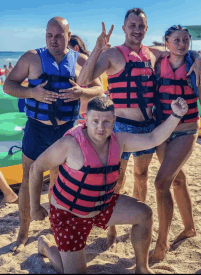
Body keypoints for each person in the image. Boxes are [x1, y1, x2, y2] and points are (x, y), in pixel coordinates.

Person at [77, 7, 201, 248]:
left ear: (146, 29)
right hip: (121, 129)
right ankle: (112, 229)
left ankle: (137, 220)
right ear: (125, 28)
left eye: (141, 26)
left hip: (147, 128)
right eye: (132, 26)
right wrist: (97, 49)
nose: (137, 30)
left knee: (142, 176)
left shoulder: (154, 54)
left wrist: (198, 58)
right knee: (116, 180)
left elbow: (181, 50)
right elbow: (83, 80)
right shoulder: (112, 55)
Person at [29, 96, 188, 274]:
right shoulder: (69, 145)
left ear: (114, 121)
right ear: (86, 119)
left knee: (144, 214)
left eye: (106, 122)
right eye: (95, 121)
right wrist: (35, 207)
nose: (100, 127)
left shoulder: (119, 141)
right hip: (69, 213)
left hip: (102, 206)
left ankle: (142, 268)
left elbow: (153, 138)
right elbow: (36, 168)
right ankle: (46, 246)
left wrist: (176, 115)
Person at [3, 16, 103, 253]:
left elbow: (100, 88)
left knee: (60, 181)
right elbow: (8, 85)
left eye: (59, 35)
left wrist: (82, 91)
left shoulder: (81, 60)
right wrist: (32, 93)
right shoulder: (31, 57)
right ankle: (23, 233)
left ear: (69, 36)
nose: (54, 40)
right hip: (37, 128)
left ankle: (55, 227)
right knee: (28, 180)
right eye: (49, 35)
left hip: (65, 130)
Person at [150, 25, 201, 261]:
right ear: (166, 42)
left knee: (161, 183)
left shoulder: (195, 68)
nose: (182, 44)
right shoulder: (158, 62)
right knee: (178, 179)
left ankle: (162, 244)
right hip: (162, 131)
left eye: (186, 40)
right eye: (176, 40)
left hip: (186, 130)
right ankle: (189, 228)